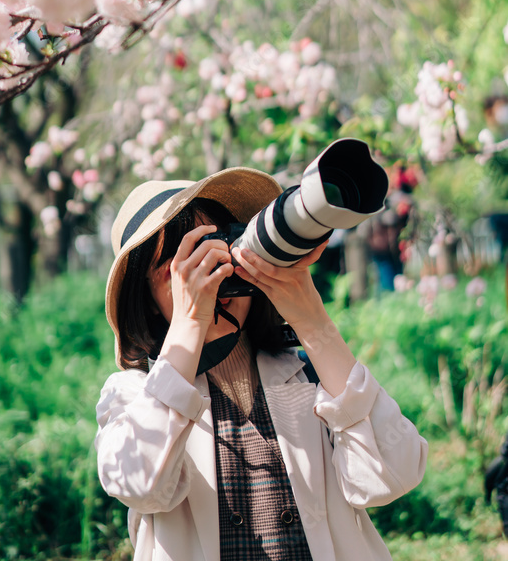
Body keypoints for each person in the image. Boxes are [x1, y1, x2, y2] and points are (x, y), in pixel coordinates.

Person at [95, 166, 428, 561]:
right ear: (145, 296)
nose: (208, 277)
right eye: (181, 269)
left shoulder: (308, 373)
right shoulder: (133, 394)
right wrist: (189, 325)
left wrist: (315, 323)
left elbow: (395, 474)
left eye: (216, 255)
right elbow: (140, 485)